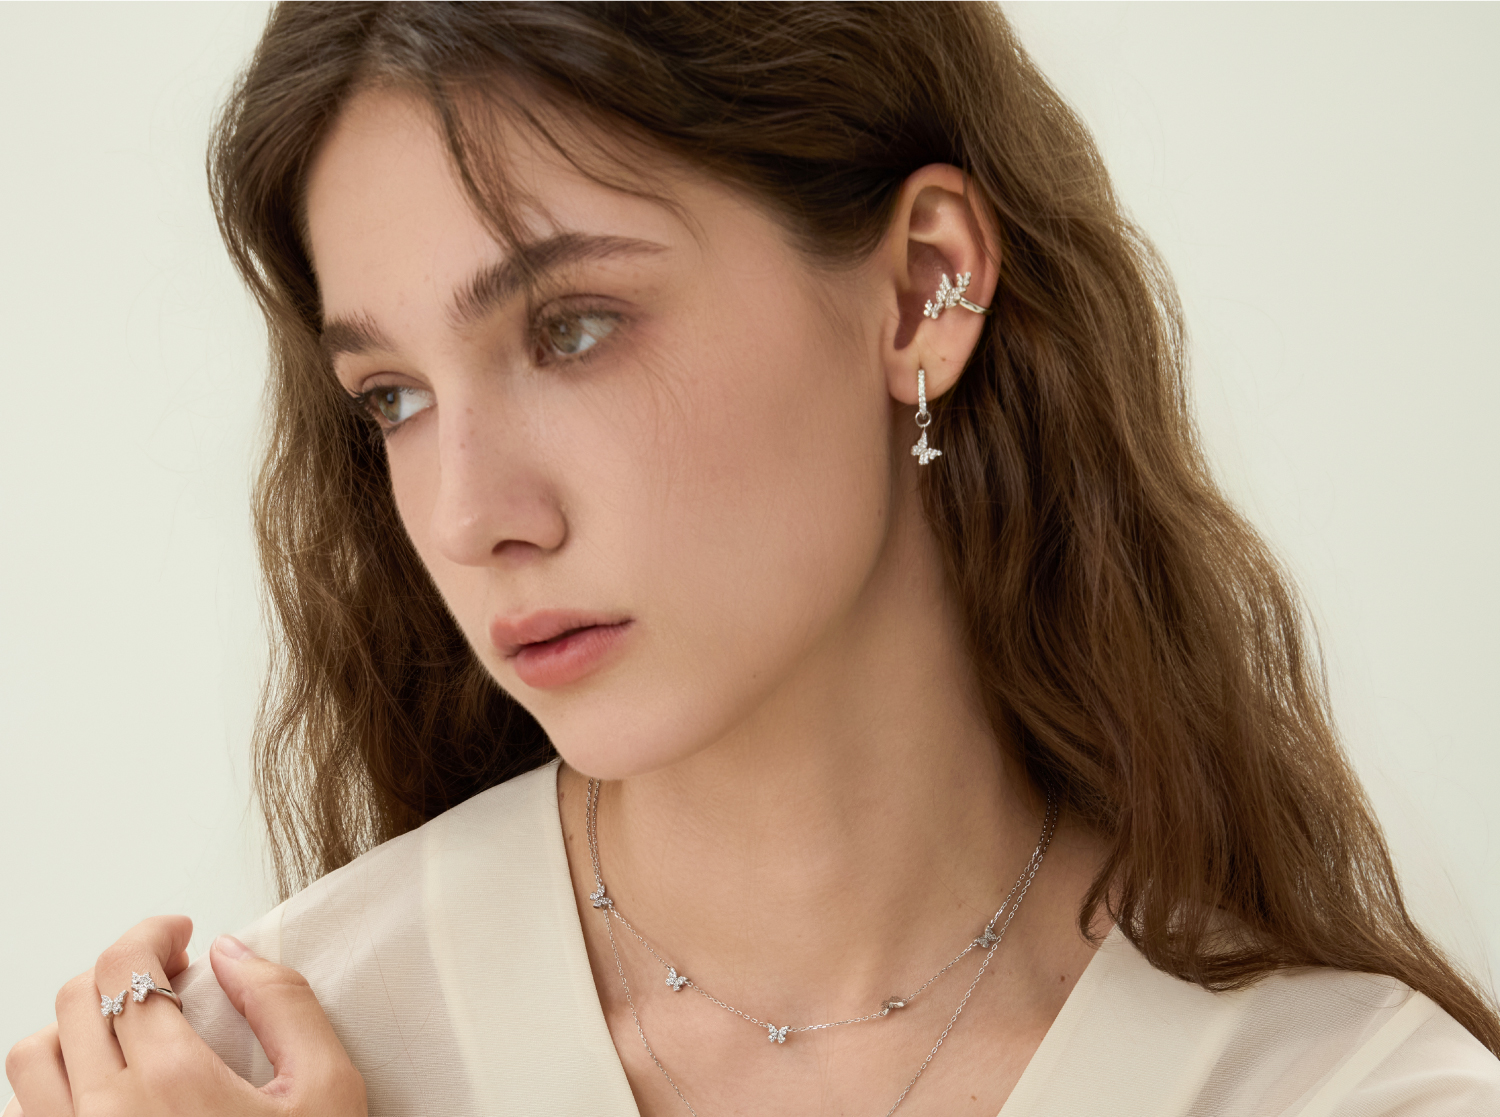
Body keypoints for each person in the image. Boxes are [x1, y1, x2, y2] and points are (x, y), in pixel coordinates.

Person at [6, 4, 1499, 1115]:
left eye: (570, 328)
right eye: (392, 397)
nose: (467, 516)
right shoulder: (242, 1068)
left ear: (924, 290)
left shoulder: (1338, 1091)